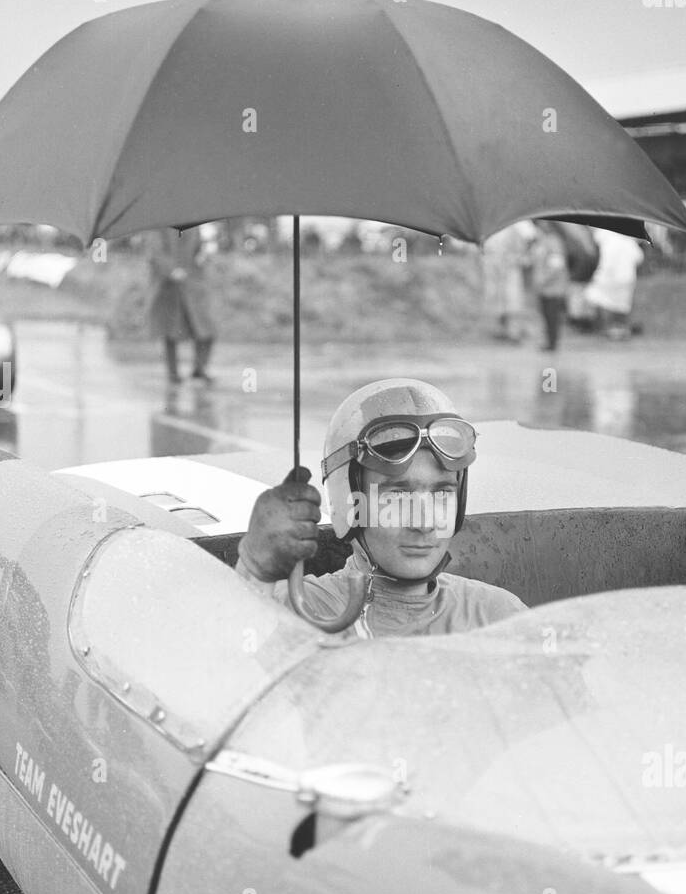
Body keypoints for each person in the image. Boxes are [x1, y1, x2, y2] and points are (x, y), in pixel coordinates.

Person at [236, 378, 527, 638]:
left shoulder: (497, 617)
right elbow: (224, 661)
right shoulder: (298, 611)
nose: (425, 523)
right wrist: (255, 570)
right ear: (350, 503)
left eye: (442, 492)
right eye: (398, 494)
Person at [146, 226, 215, 384]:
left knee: (206, 328)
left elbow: (199, 250)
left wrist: (203, 255)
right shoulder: (160, 227)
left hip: (192, 286)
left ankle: (200, 368)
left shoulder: (194, 226)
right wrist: (171, 271)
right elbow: (155, 253)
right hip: (168, 288)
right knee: (171, 331)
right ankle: (173, 372)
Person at [584, 229, 644, 339]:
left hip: (611, 278)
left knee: (601, 300)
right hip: (628, 278)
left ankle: (607, 328)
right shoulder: (627, 241)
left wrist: (598, 276)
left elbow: (607, 263)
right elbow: (639, 258)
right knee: (622, 305)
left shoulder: (609, 243)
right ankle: (622, 329)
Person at [530, 220, 570, 352]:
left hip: (553, 288)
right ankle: (549, 341)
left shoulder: (554, 241)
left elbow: (557, 265)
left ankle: (552, 343)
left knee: (552, 316)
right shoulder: (542, 241)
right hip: (544, 288)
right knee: (546, 316)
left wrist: (544, 279)